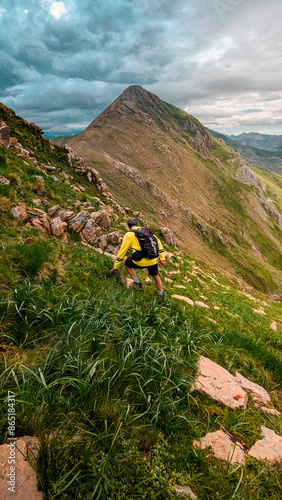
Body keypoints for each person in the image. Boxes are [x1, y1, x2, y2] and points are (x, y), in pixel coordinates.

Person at [111, 218, 166, 296]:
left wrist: (116, 266)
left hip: (139, 261)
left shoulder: (129, 235)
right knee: (156, 276)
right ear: (137, 225)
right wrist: (162, 258)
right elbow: (158, 243)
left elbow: (122, 251)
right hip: (152, 260)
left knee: (127, 263)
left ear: (127, 226)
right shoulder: (147, 231)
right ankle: (161, 294)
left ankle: (137, 283)